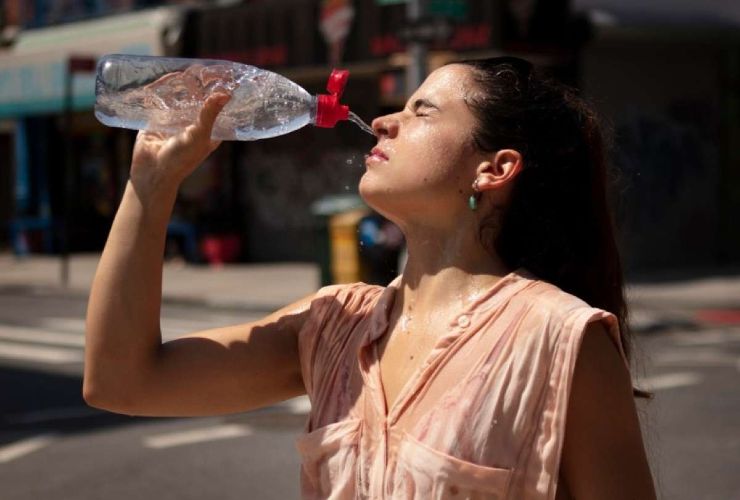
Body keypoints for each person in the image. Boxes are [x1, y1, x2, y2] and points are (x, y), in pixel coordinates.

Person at [84, 56, 657, 499]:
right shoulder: (333, 325)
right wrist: (151, 186)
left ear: (495, 169)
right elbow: (121, 381)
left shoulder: (559, 340)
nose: (383, 121)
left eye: (422, 111)